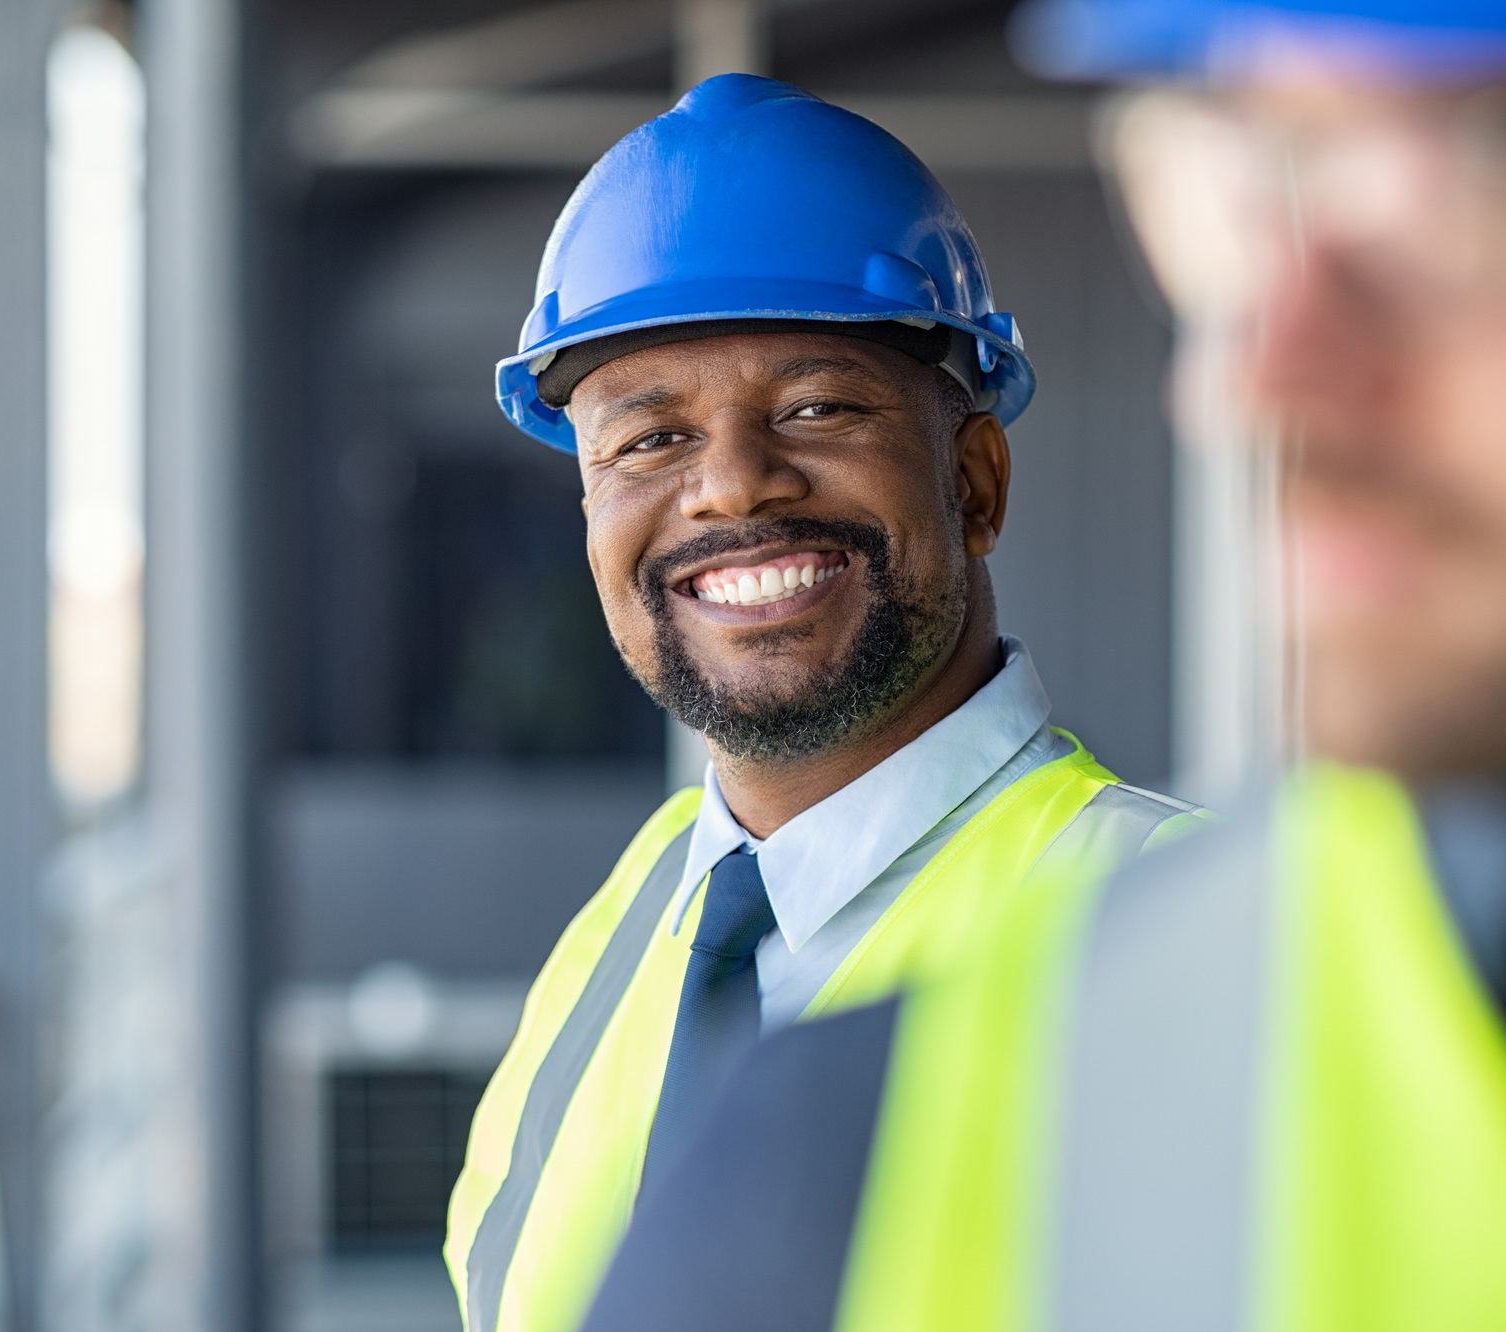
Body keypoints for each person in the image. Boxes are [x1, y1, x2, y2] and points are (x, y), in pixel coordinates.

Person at [581, 6, 1506, 1331]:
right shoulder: (833, 1148)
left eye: (1470, 173)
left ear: (977, 480)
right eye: (1240, 193)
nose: (1261, 378)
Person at [445, 73, 1201, 1332]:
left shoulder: (1179, 942)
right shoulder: (625, 930)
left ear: (975, 481)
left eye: (814, 407)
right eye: (647, 440)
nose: (732, 488)